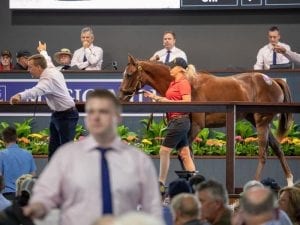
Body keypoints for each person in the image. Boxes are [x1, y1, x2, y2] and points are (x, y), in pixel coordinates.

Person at [23, 89, 162, 225]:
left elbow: (152, 208)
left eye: (103, 111)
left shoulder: (139, 160)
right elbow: (45, 195)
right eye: (91, 112)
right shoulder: (66, 156)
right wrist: (36, 208)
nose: (96, 117)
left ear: (118, 117)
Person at [9, 47, 79, 160]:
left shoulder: (47, 79)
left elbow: (35, 91)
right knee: (53, 150)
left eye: (30, 67)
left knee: (66, 151)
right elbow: (47, 60)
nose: (28, 70)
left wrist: (20, 95)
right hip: (58, 115)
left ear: (38, 67)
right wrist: (43, 51)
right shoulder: (50, 68)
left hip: (67, 117)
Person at [143, 57, 196, 187]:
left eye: (172, 67)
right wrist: (154, 97)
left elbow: (187, 102)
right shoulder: (173, 83)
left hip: (180, 121)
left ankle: (160, 183)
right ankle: (196, 186)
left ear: (179, 69)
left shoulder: (183, 83)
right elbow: (169, 99)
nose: (170, 69)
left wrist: (164, 101)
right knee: (184, 154)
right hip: (175, 121)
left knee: (164, 151)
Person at [0, 127, 36, 201]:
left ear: (3, 139)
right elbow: (33, 175)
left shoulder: (1, 154)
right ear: (16, 138)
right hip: (25, 196)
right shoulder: (28, 154)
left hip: (7, 196)